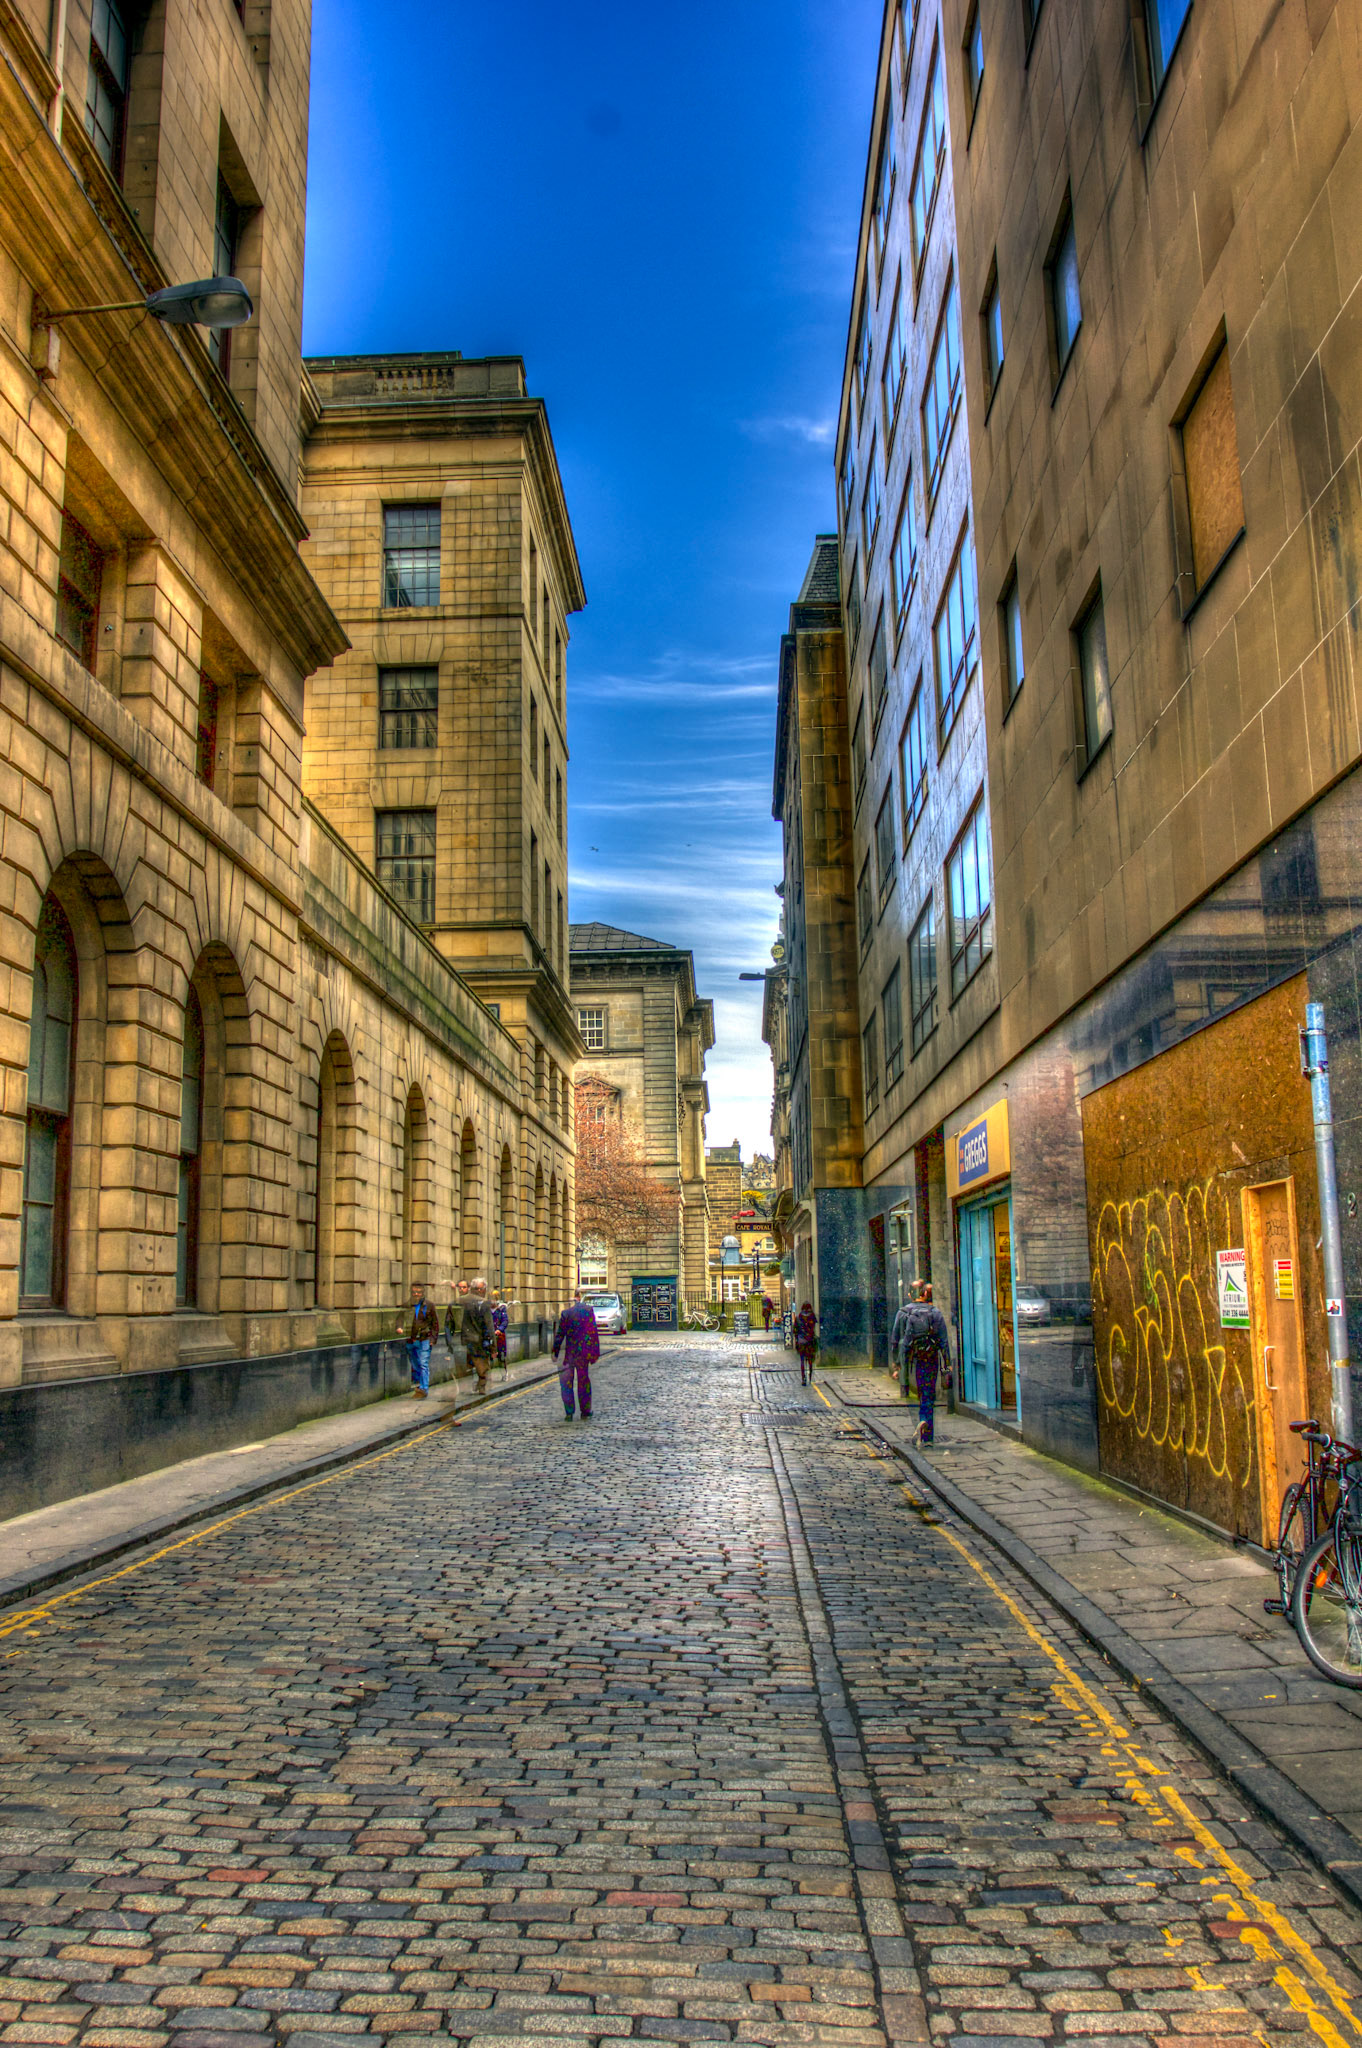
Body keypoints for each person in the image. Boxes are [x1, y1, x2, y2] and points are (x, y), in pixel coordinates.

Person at [890, 1280, 952, 1445]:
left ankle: (920, 1422)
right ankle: (927, 1434)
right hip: (930, 1358)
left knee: (917, 1394)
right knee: (928, 1394)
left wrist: (896, 1364)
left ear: (910, 1294)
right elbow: (944, 1341)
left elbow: (895, 1340)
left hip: (911, 1360)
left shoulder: (903, 1312)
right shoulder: (935, 1312)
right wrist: (947, 1363)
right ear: (925, 1294)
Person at [553, 1290, 600, 1419]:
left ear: (574, 1298)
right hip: (583, 1354)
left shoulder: (566, 1313)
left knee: (567, 1383)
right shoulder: (588, 1311)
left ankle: (569, 1412)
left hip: (570, 1354)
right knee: (583, 1381)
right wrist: (595, 1353)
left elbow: (560, 1335)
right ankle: (585, 1411)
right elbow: (593, 1333)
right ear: (580, 1297)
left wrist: (555, 1352)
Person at [402, 1282, 441, 1403]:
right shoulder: (408, 1305)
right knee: (415, 1363)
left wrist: (433, 1339)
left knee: (423, 1363)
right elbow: (399, 1318)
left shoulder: (429, 1305)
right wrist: (399, 1327)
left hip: (425, 1338)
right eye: (414, 1292)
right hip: (411, 1339)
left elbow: (435, 1324)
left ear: (423, 1293)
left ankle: (424, 1388)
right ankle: (420, 1384)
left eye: (419, 1292)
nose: (416, 1294)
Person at [461, 1276, 496, 1396]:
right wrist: (493, 1347)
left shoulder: (464, 1301)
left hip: (468, 1339)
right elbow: (489, 1326)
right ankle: (481, 1385)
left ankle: (478, 1384)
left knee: (474, 1362)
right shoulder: (484, 1304)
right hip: (481, 1340)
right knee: (482, 1363)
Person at [792, 1300, 818, 1385]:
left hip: (801, 1342)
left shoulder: (798, 1317)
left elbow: (795, 1331)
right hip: (810, 1341)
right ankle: (810, 1376)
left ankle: (803, 1379)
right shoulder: (812, 1316)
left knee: (802, 1361)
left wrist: (797, 1340)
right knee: (810, 1360)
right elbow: (813, 1327)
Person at [492, 1293, 509, 1371]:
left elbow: (505, 1321)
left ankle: (504, 1372)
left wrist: (499, 1329)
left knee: (501, 1355)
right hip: (488, 1335)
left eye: (493, 1299)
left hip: (499, 1335)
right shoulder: (484, 1309)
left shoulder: (501, 1308)